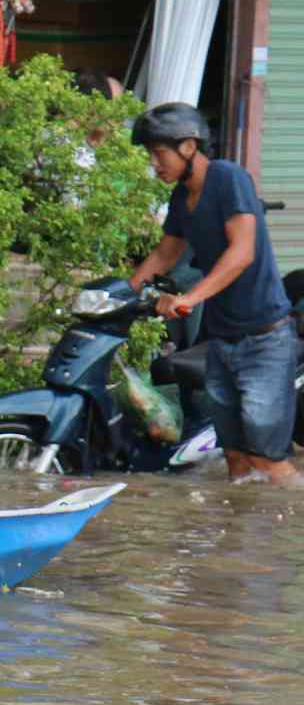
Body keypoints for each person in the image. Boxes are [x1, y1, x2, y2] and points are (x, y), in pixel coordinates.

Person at [129, 103, 300, 485]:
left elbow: (242, 252)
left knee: (268, 459)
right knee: (236, 457)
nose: (155, 164)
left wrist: (190, 298)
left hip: (265, 340)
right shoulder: (180, 198)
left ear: (188, 147)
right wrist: (121, 294)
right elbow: (165, 254)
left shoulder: (228, 177)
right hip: (222, 343)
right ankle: (240, 536)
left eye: (159, 153)